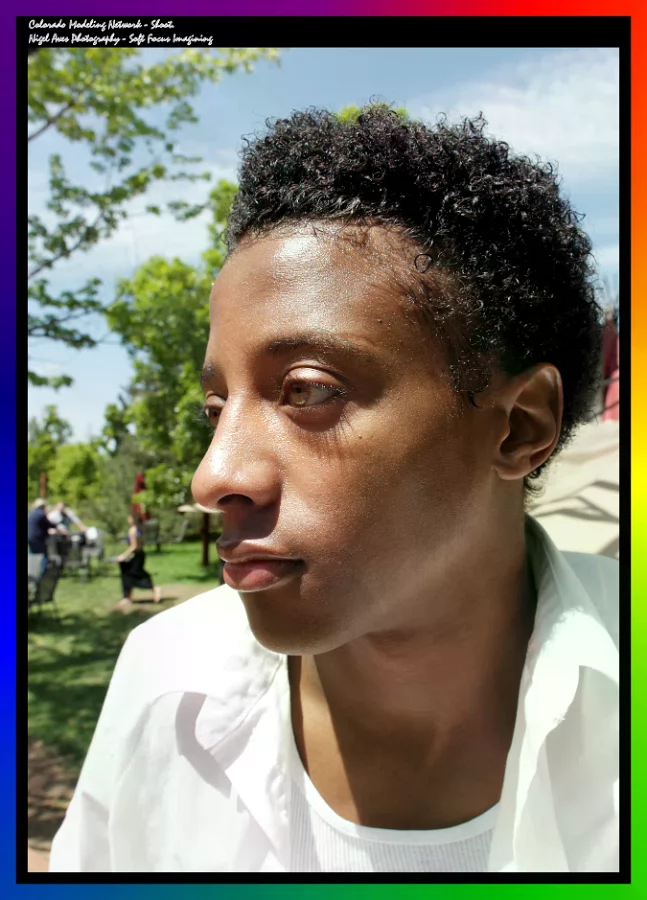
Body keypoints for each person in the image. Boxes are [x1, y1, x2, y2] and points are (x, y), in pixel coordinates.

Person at [50, 107, 618, 873]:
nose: (213, 477)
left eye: (308, 391)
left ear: (519, 427)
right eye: (217, 408)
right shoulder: (166, 678)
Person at [114, 514, 161, 611]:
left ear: (133, 520)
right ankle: (127, 597)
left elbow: (134, 546)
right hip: (141, 555)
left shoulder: (133, 530)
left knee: (134, 574)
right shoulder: (141, 529)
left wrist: (123, 556)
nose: (128, 519)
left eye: (130, 517)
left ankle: (153, 588)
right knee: (129, 574)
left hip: (135, 555)